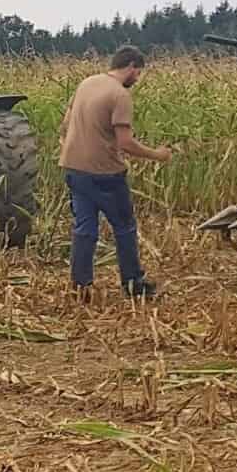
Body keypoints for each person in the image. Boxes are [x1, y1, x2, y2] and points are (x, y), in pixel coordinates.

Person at [59, 45, 177, 303]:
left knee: (85, 228)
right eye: (138, 73)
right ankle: (133, 283)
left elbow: (66, 124)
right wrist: (158, 155)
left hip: (74, 168)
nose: (137, 78)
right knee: (124, 227)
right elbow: (125, 143)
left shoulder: (87, 83)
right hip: (105, 174)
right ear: (132, 67)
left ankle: (81, 286)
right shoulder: (119, 95)